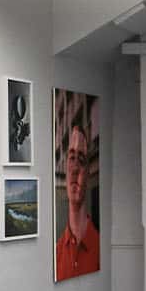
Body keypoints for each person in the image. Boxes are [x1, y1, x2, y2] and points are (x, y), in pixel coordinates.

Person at [55, 102, 100, 280]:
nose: (74, 168)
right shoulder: (57, 252)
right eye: (71, 158)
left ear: (88, 173)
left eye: (81, 160)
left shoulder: (99, 247)